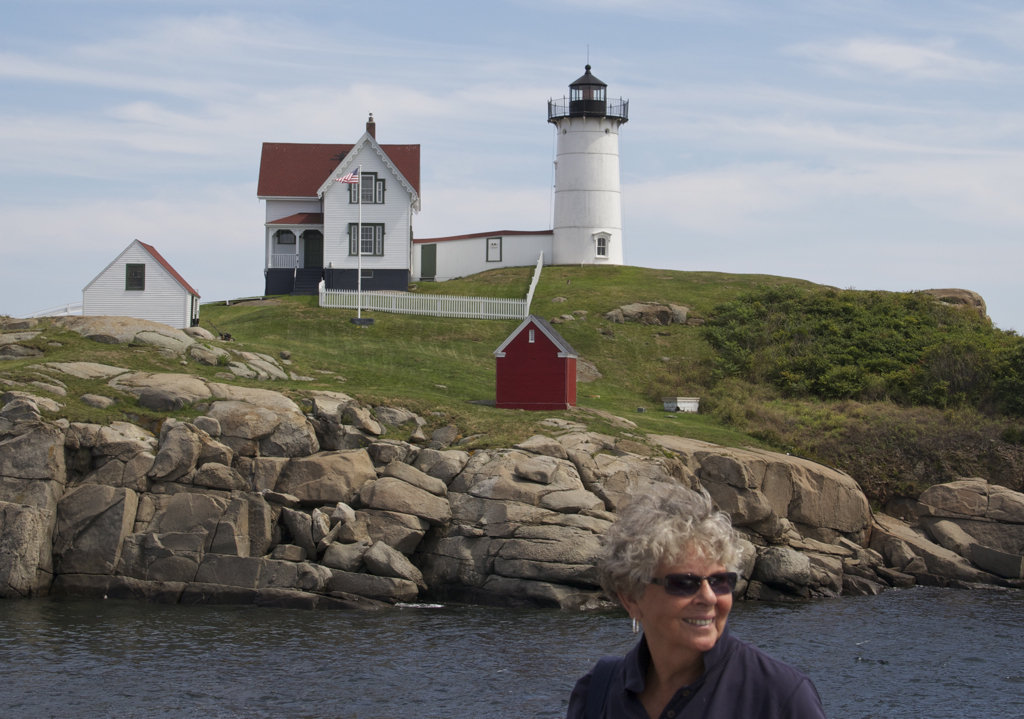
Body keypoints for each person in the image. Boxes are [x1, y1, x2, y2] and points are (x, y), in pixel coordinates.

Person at [566, 483, 826, 719]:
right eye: (684, 583)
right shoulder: (596, 695)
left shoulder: (781, 699)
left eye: (720, 581)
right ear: (631, 597)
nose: (709, 597)